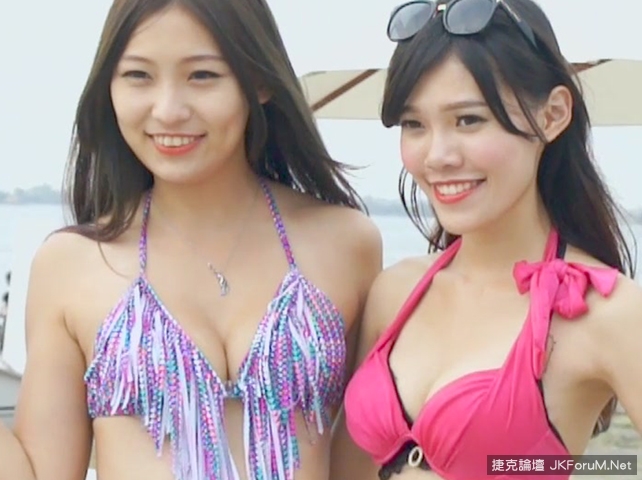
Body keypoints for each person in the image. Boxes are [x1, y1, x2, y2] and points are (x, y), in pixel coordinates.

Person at [0, 1, 382, 480]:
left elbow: (363, 459)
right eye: (138, 75)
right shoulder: (72, 264)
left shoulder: (346, 244)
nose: (168, 110)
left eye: (202, 75)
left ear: (260, 82)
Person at [330, 0, 642, 479]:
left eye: (469, 120)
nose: (437, 156)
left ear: (553, 115)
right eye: (414, 125)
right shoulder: (395, 292)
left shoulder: (606, 312)